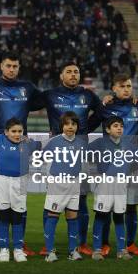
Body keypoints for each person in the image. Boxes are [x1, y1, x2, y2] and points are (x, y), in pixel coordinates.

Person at [0, 53, 44, 257]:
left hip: (20, 151)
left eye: (15, 66)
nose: (12, 69)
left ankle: (20, 244)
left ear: (19, 68)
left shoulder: (28, 88)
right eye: (8, 66)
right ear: (1, 67)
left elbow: (46, 102)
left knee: (19, 198)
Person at [40, 62, 101, 257]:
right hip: (57, 172)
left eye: (76, 72)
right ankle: (48, 248)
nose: (73, 75)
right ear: (61, 75)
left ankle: (78, 246)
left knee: (77, 208)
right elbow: (30, 103)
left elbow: (101, 112)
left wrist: (85, 129)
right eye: (69, 72)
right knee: (51, 210)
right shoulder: (50, 94)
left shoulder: (88, 95)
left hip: (76, 169)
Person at [90, 72, 138, 257]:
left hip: (131, 164)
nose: (126, 89)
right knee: (106, 209)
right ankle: (103, 244)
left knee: (130, 205)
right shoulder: (106, 106)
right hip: (109, 168)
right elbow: (89, 126)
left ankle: (129, 244)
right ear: (114, 89)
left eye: (129, 86)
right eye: (122, 86)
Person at [0, 118, 41, 262]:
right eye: (13, 131)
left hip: (20, 183)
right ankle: (4, 249)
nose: (17, 134)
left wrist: (32, 141)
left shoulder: (27, 144)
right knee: (3, 216)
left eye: (20, 131)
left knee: (17, 217)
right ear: (6, 132)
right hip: (2, 182)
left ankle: (18, 249)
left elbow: (40, 145)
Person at [88, 116, 135, 261]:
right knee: (101, 216)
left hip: (121, 184)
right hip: (105, 183)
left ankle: (122, 250)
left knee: (119, 216)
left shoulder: (128, 144)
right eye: (115, 126)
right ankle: (96, 250)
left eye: (121, 125)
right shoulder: (100, 142)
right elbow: (86, 153)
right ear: (108, 129)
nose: (119, 128)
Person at [41, 112, 86, 262]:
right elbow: (42, 158)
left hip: (74, 184)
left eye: (73, 124)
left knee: (72, 218)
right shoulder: (54, 141)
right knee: (52, 217)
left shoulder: (81, 143)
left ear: (77, 126)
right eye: (67, 124)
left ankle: (73, 251)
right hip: (57, 184)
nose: (70, 127)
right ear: (62, 126)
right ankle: (49, 252)